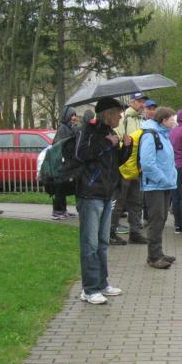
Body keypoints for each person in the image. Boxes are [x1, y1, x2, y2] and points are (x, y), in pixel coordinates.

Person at [74, 97, 132, 304]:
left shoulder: (110, 132)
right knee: (90, 243)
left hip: (107, 193)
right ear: (107, 114)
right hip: (90, 194)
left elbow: (115, 161)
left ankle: (101, 283)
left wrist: (127, 147)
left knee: (102, 242)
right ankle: (89, 289)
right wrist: (107, 143)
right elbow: (81, 154)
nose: (120, 117)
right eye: (118, 114)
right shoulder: (87, 131)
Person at [139, 107, 178, 268]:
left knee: (161, 219)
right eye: (172, 118)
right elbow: (147, 163)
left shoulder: (164, 135)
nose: (174, 121)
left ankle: (158, 253)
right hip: (155, 185)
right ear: (163, 120)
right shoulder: (150, 135)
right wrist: (162, 178)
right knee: (156, 220)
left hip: (165, 184)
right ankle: (154, 257)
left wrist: (171, 177)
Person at [110, 92, 147, 245]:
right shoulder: (124, 118)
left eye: (143, 101)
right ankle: (111, 232)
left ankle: (135, 232)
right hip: (124, 166)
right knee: (119, 202)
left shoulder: (141, 119)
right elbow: (116, 137)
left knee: (136, 202)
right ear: (132, 102)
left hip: (137, 167)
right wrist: (123, 142)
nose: (142, 104)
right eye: (139, 101)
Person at [51, 106, 79, 220]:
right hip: (61, 163)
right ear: (67, 116)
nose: (74, 117)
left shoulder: (68, 127)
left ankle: (63, 210)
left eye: (75, 115)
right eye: (72, 115)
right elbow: (59, 144)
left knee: (63, 186)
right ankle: (57, 211)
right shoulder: (63, 129)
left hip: (66, 162)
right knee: (60, 186)